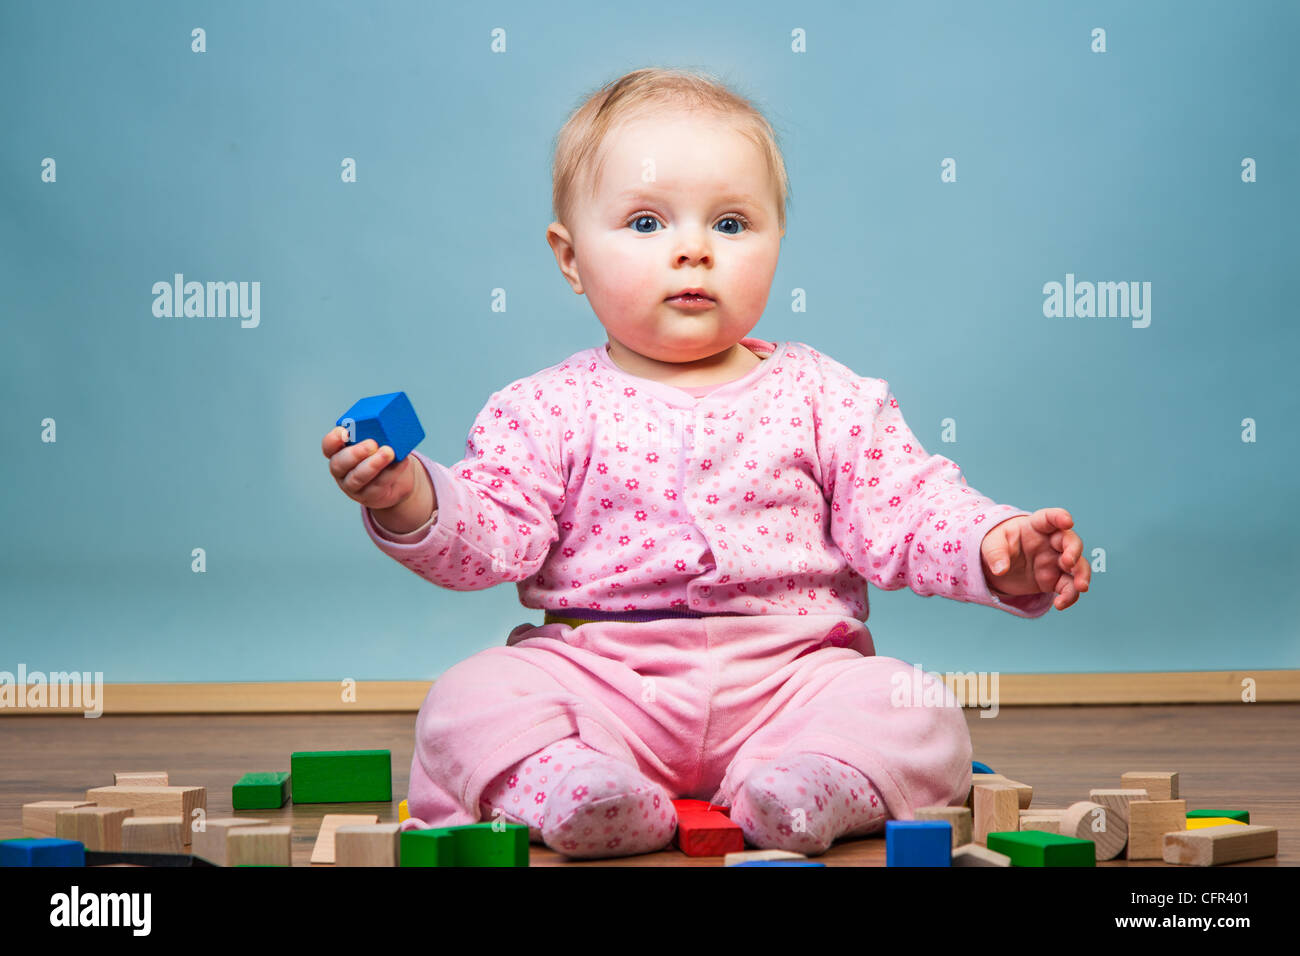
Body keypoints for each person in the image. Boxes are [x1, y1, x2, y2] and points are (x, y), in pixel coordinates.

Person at [321, 67, 1090, 860]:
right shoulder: (542, 408)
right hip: (603, 679)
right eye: (648, 223)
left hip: (792, 679)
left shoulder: (826, 395)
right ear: (570, 257)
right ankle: (579, 786)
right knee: (466, 700)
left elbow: (909, 504)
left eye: (730, 224)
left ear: (778, 241)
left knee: (918, 706)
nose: (693, 250)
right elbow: (491, 535)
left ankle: (804, 783)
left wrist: (994, 545)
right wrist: (410, 495)